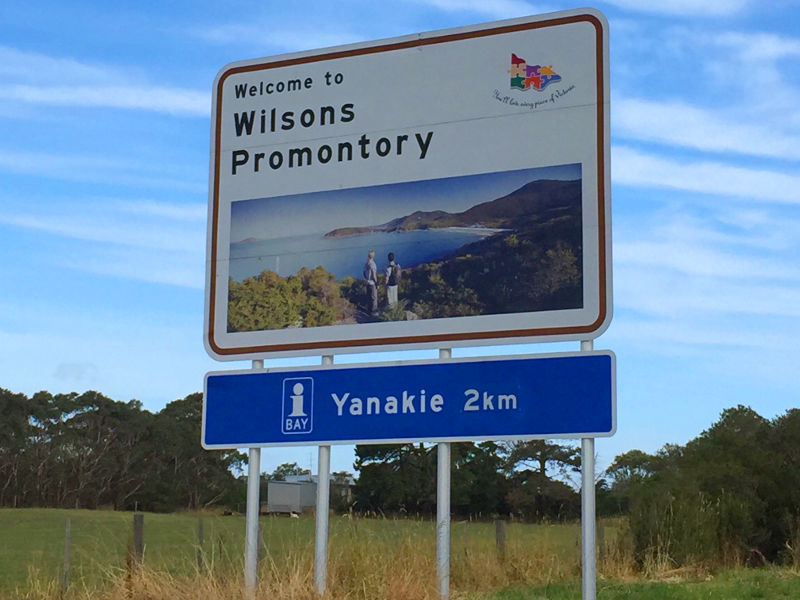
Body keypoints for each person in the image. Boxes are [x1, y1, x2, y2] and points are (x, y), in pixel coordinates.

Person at [363, 249, 378, 314]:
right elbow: (374, 274)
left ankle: (369, 311)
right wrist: (376, 283)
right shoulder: (372, 264)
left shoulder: (366, 263)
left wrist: (367, 278)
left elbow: (364, 273)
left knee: (368, 297)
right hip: (372, 283)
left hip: (367, 282)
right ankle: (374, 312)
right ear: (373, 255)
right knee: (374, 298)